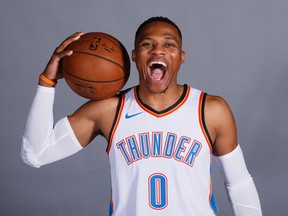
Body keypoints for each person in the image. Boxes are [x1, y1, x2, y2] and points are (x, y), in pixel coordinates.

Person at [22, 17, 262, 215]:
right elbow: (36, 153)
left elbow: (239, 184)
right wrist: (47, 82)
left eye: (169, 45)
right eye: (148, 44)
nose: (158, 49)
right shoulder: (109, 110)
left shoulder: (210, 110)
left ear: (181, 56)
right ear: (135, 56)